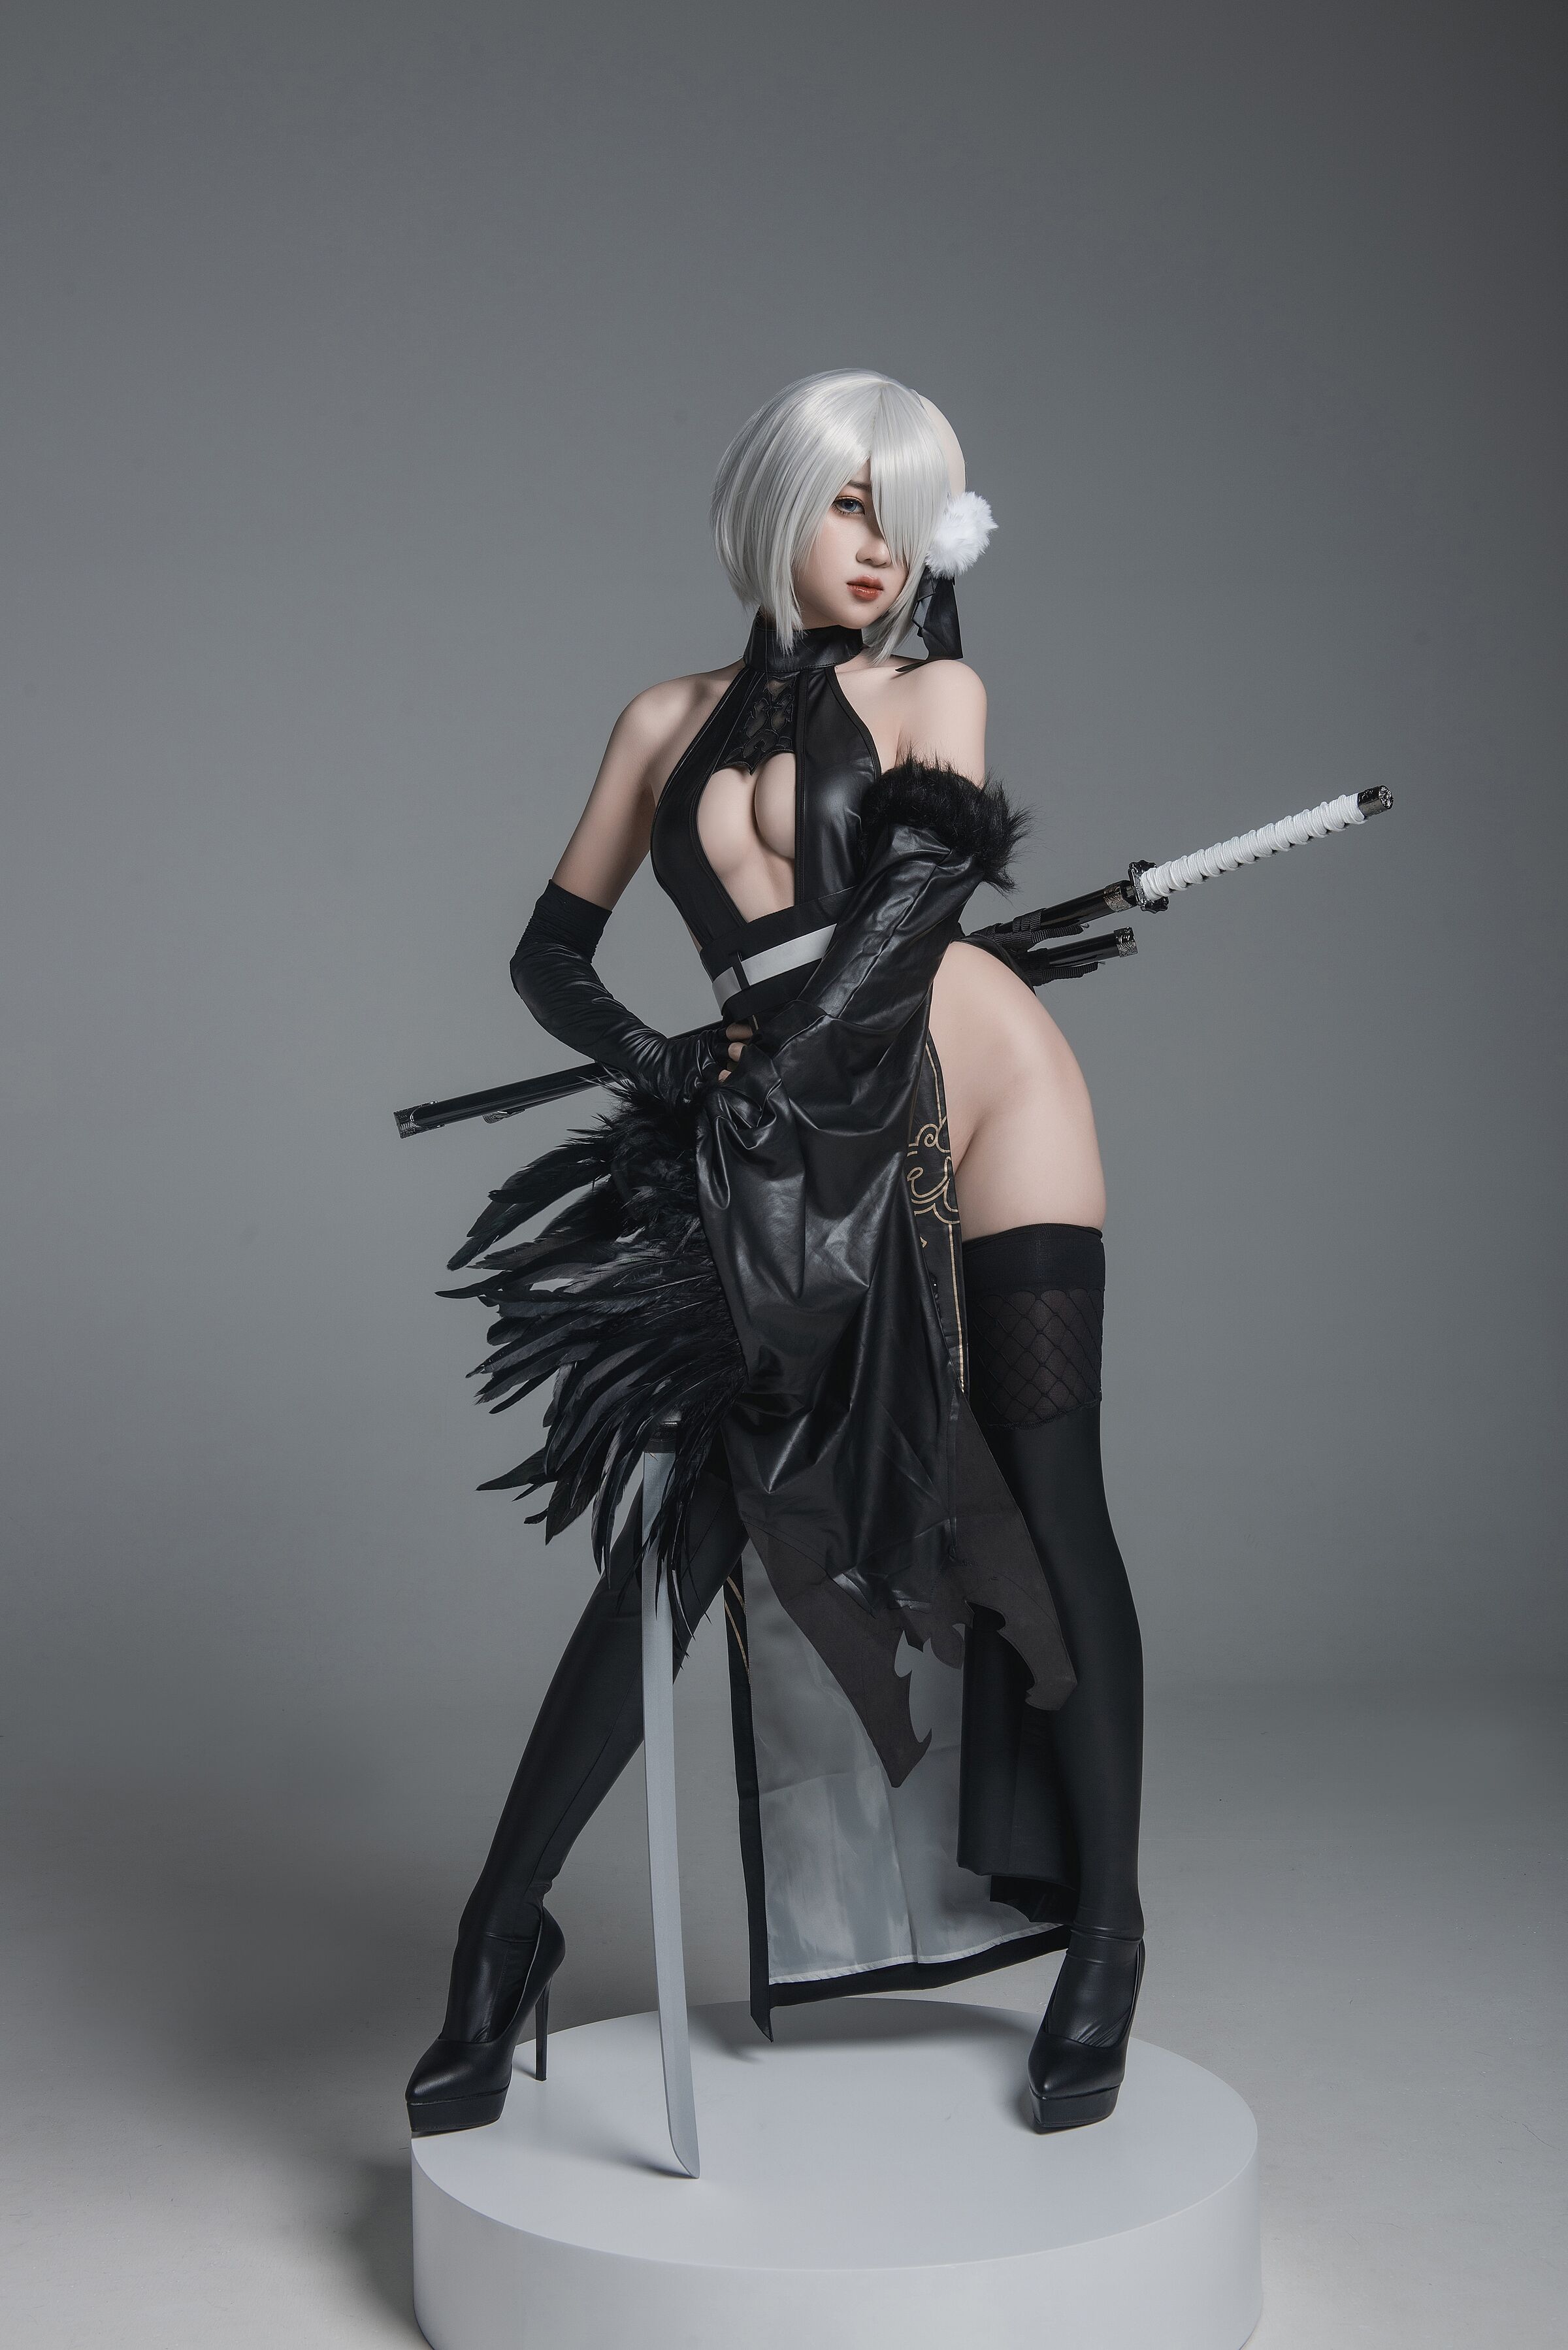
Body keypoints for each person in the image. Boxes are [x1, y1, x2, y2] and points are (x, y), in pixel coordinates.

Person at [406, 371, 1146, 2142]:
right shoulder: (661, 720)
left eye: (913, 513)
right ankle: (497, 1940)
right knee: (678, 1538)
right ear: (776, 504)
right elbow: (550, 953)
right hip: (775, 1139)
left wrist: (765, 1070)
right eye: (852, 502)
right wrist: (662, 1067)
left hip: (978, 1096)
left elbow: (906, 923)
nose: (884, 547)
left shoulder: (934, 691)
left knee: (1050, 1502)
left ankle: (1109, 1935)